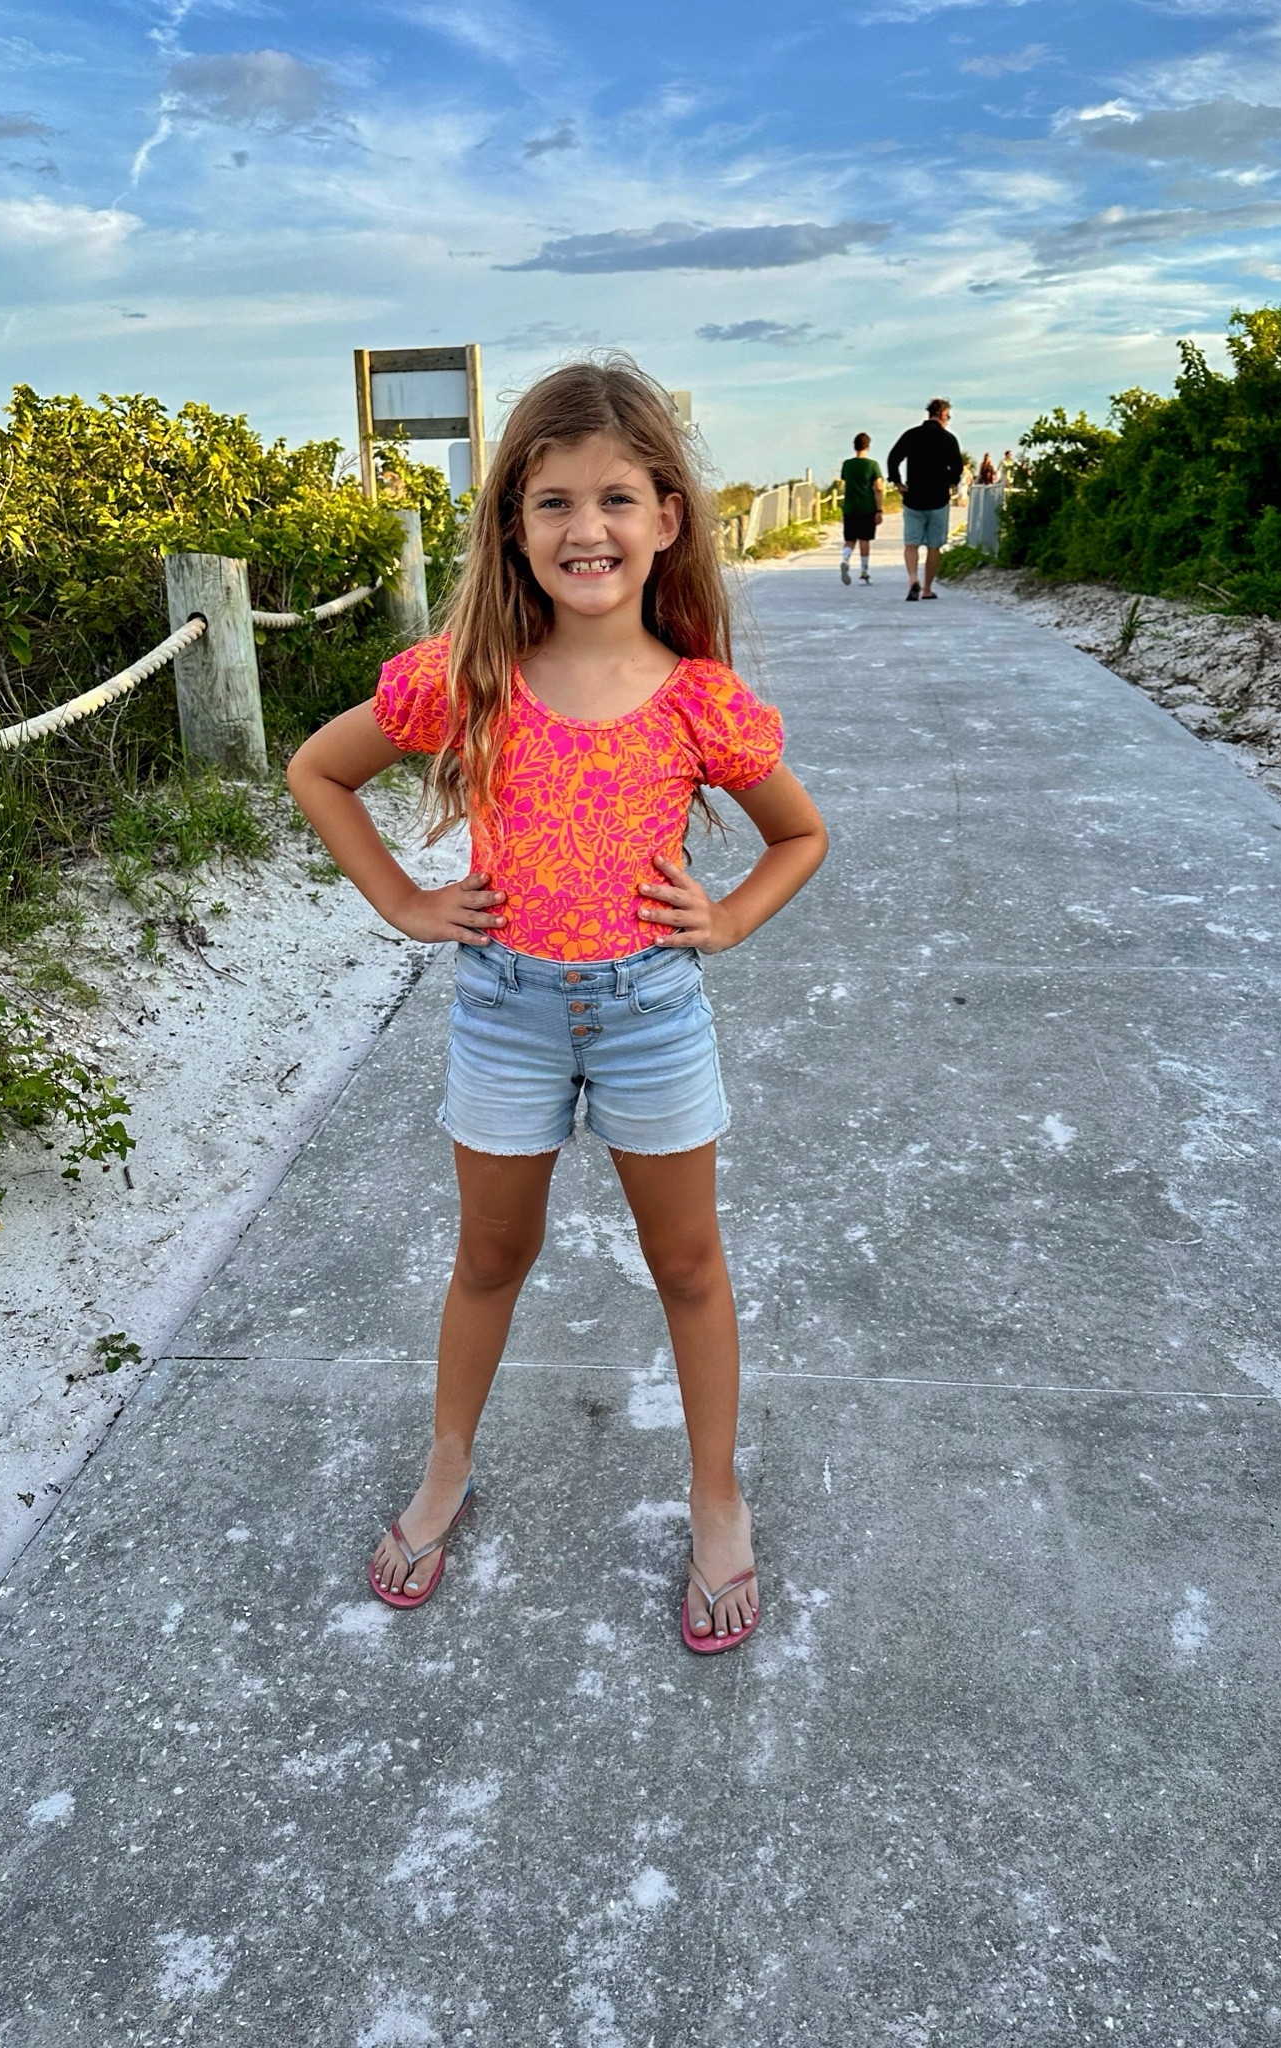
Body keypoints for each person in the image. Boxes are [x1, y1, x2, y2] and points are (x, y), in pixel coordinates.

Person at [286, 359, 828, 1655]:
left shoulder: (702, 700)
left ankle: (714, 1496)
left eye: (617, 499)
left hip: (650, 1011)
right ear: (513, 526)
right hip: (505, 1011)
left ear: (667, 519)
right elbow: (319, 770)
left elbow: (798, 836)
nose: (587, 528)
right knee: (490, 1258)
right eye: (554, 503)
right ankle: (445, 1469)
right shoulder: (463, 676)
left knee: (687, 1266)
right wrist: (409, 907)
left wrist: (731, 915)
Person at [887, 398, 964, 601]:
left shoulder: (911, 435)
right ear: (943, 415)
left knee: (911, 544)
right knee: (933, 546)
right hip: (938, 499)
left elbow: (893, 458)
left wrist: (897, 482)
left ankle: (913, 578)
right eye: (948, 416)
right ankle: (927, 589)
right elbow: (957, 468)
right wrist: (950, 482)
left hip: (913, 497)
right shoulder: (949, 439)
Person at [838, 431, 883, 586]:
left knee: (849, 540)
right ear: (868, 446)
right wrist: (879, 510)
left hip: (850, 507)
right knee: (864, 540)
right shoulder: (872, 465)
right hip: (867, 507)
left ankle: (845, 560)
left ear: (854, 446)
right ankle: (864, 572)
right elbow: (878, 488)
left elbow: (843, 482)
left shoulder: (847, 464)